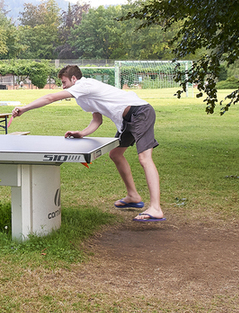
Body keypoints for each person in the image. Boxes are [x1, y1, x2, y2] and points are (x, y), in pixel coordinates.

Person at [11, 65, 165, 222]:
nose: (63, 87)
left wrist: (25, 108)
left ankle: (156, 208)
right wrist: (82, 133)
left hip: (140, 112)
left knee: (145, 158)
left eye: (64, 82)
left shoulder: (84, 85)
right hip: (126, 119)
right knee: (115, 154)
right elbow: (97, 120)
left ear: (74, 79)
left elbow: (51, 97)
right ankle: (133, 196)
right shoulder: (82, 98)